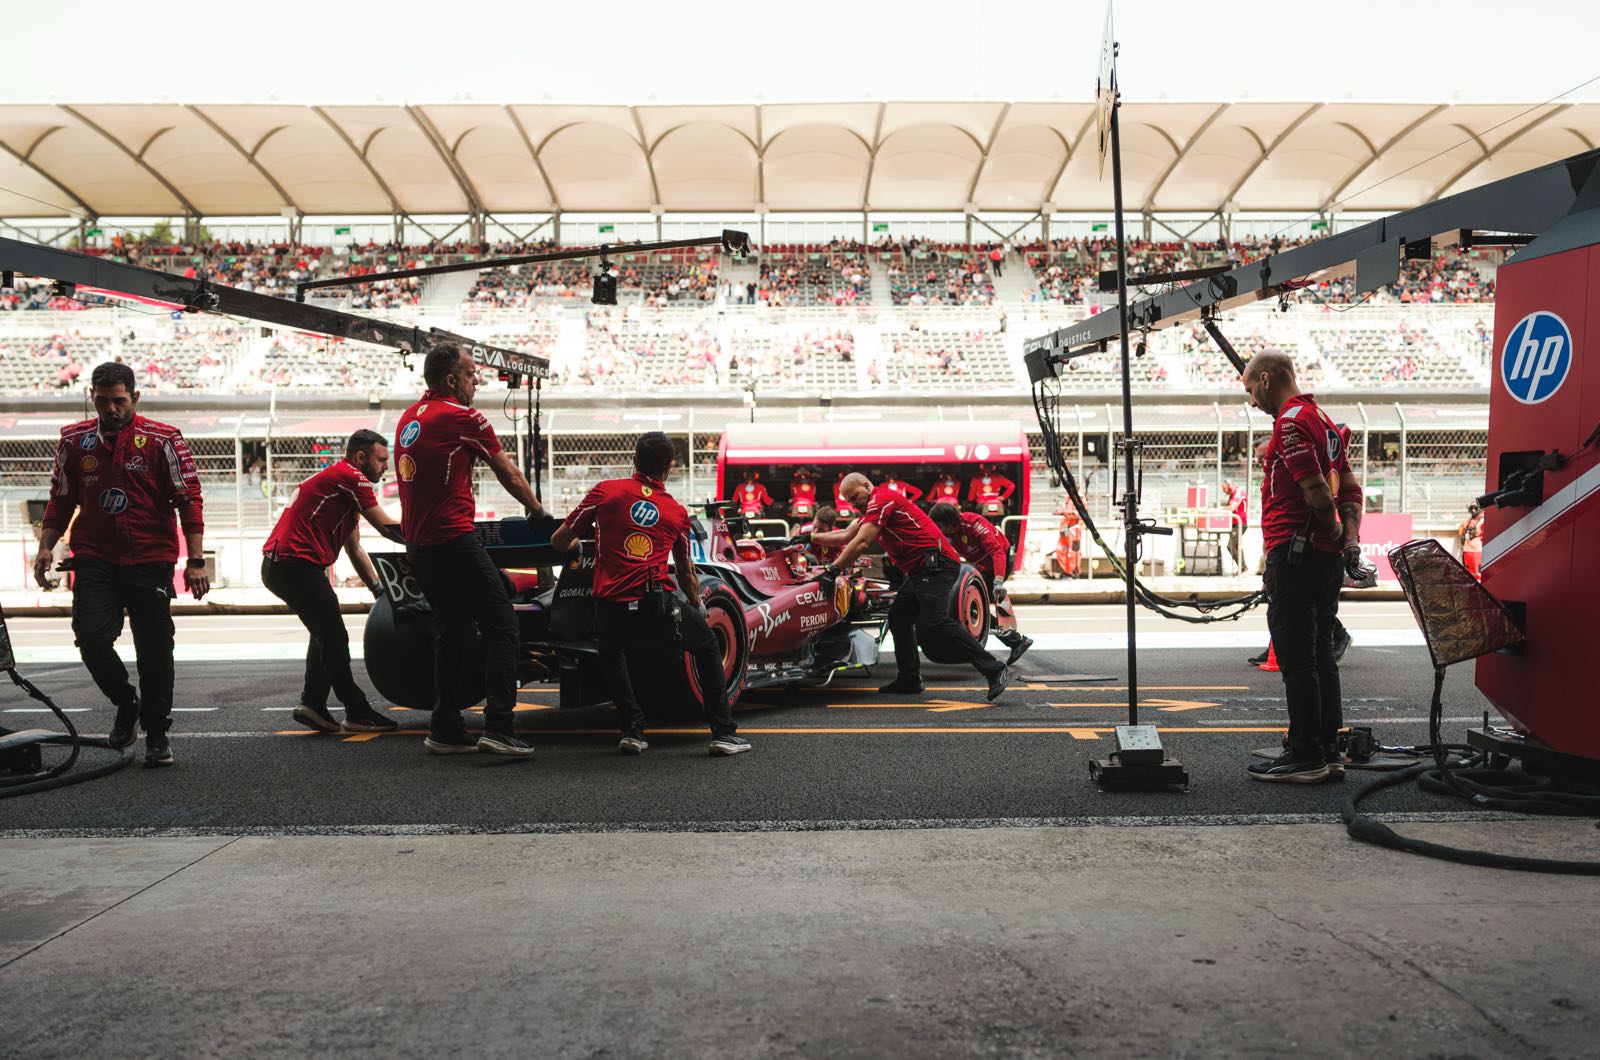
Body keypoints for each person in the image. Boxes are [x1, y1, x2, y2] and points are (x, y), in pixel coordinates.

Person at [33, 361, 207, 768]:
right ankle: (127, 703)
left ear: (135, 398)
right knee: (90, 637)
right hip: (95, 557)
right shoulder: (73, 440)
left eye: (119, 401)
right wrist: (45, 547)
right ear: (91, 397)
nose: (110, 409)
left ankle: (157, 732)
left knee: (155, 650)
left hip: (151, 557)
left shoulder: (164, 438)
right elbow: (60, 499)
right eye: (102, 401)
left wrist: (196, 561)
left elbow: (189, 499)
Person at [550, 432, 750, 757]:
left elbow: (559, 540)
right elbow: (686, 573)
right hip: (654, 605)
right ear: (670, 466)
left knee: (611, 652)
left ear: (634, 459)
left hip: (609, 606)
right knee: (708, 645)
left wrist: (575, 547)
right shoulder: (676, 512)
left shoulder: (604, 491)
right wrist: (697, 605)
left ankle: (633, 730)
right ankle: (724, 733)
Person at [397, 344, 545, 759]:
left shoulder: (409, 417)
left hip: (419, 545)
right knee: (504, 625)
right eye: (470, 373)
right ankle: (499, 728)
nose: (476, 380)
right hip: (452, 540)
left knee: (455, 631)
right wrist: (538, 512)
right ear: (451, 380)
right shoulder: (463, 417)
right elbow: (507, 472)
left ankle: (444, 727)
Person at [1241, 349, 1364, 783]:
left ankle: (1305, 754)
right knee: (1321, 655)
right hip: (1325, 558)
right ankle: (1328, 749)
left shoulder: (1291, 422)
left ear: (1267, 379)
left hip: (1295, 554)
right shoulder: (1325, 422)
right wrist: (1348, 541)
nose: (1252, 401)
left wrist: (1333, 532)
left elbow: (1317, 491)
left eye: (1250, 389)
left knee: (1297, 658)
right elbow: (1350, 488)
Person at [812, 473, 1011, 700]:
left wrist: (833, 570)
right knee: (899, 617)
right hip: (921, 569)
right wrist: (810, 538)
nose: (853, 503)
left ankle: (995, 669)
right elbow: (846, 535)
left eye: (854, 496)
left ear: (867, 486)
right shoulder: (872, 509)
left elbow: (862, 542)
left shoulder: (881, 499)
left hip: (937, 565)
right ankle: (909, 678)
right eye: (848, 500)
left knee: (935, 622)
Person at [262, 429, 406, 734]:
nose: (386, 467)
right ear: (361, 457)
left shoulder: (342, 488)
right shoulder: (352, 477)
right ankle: (356, 710)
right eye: (381, 460)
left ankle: (313, 703)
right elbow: (386, 527)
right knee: (334, 637)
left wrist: (379, 589)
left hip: (283, 566)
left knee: (324, 634)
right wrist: (429, 538)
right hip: (295, 566)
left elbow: (354, 549)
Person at [928, 502, 1033, 665]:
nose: (937, 529)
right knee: (976, 608)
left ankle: (1015, 641)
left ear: (946, 523)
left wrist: (998, 582)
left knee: (978, 609)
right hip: (981, 565)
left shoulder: (974, 524)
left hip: (1000, 560)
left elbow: (997, 552)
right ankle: (1016, 641)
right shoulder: (947, 534)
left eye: (938, 525)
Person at [1222, 479, 1248, 574]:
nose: (1225, 492)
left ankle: (1243, 567)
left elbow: (1233, 507)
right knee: (1236, 546)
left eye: (1225, 489)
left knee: (1231, 546)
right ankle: (1242, 568)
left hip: (1240, 523)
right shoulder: (1233, 494)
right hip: (1235, 524)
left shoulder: (1238, 492)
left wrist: (1221, 509)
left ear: (1229, 486)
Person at [1459, 502, 1484, 579]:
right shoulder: (1467, 521)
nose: (1473, 510)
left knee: (1478, 573)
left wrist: (1472, 532)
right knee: (1469, 573)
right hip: (1467, 550)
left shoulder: (1482, 519)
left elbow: (1478, 532)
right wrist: (1466, 534)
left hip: (1476, 550)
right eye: (1471, 508)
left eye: (1475, 508)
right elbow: (1461, 533)